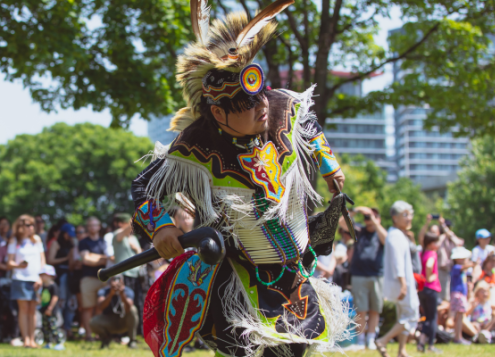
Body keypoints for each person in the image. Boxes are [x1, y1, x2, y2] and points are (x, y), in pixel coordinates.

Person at [130, 1, 353, 356]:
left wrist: (329, 163)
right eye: (247, 104)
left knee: (296, 348)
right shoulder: (195, 145)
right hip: (236, 277)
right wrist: (162, 226)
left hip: (293, 273)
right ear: (218, 112)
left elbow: (308, 123)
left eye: (261, 95)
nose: (261, 105)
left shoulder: (282, 109)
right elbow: (142, 186)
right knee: (243, 348)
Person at [375, 201, 419, 357]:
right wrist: (403, 283)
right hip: (401, 282)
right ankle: (383, 340)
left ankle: (402, 350)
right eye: (405, 215)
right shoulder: (395, 236)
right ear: (395, 217)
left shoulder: (397, 234)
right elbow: (397, 262)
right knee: (411, 314)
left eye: (410, 214)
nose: (409, 218)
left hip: (401, 282)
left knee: (403, 315)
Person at [350, 207, 387, 351]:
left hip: (376, 275)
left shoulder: (380, 232)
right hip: (359, 275)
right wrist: (355, 211)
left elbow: (386, 239)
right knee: (361, 310)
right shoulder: (359, 231)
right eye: (367, 217)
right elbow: (341, 223)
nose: (369, 220)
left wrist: (375, 220)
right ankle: (360, 340)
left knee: (375, 310)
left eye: (372, 217)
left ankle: (371, 339)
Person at [7, 214, 46, 348]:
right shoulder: (14, 240)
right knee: (24, 309)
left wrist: (41, 277)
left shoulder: (36, 240)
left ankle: (32, 340)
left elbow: (43, 260)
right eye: (28, 225)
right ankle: (26, 340)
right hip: (20, 279)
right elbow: (9, 262)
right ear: (20, 226)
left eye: (32, 225)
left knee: (33, 309)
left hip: (35, 279)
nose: (31, 227)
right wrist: (18, 266)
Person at [111, 213, 143, 334]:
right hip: (123, 275)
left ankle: (136, 332)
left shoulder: (133, 238)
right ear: (120, 223)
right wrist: (138, 217)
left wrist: (136, 248)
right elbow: (122, 234)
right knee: (124, 305)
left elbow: (140, 254)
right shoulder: (117, 234)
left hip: (136, 275)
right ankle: (123, 333)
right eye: (129, 222)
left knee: (137, 303)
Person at [90, 275, 138, 349]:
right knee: (93, 322)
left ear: (123, 282)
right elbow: (100, 306)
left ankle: (132, 341)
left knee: (133, 309)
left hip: (123, 321)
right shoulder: (104, 291)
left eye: (119, 280)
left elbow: (129, 308)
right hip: (109, 321)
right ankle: (106, 339)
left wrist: (122, 294)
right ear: (109, 282)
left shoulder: (128, 291)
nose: (116, 282)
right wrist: (110, 294)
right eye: (114, 280)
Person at [78, 217, 107, 340]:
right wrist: (103, 258)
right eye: (89, 225)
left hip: (103, 278)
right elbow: (86, 260)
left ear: (99, 227)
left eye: (94, 225)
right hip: (88, 278)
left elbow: (110, 258)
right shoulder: (83, 242)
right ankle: (88, 334)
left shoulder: (104, 242)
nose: (92, 227)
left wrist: (93, 257)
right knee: (87, 307)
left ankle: (98, 334)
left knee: (100, 307)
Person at [47, 223, 76, 337]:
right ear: (63, 233)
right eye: (68, 234)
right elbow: (50, 260)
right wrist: (66, 258)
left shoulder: (71, 244)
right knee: (61, 301)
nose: (70, 237)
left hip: (70, 275)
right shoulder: (56, 243)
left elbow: (71, 262)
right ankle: (58, 327)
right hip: (59, 275)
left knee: (71, 303)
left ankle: (67, 327)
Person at [417, 232, 442, 353]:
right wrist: (429, 276)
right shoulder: (432, 253)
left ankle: (421, 343)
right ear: (431, 243)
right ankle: (431, 345)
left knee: (426, 317)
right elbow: (429, 264)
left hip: (422, 289)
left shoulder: (421, 253)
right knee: (432, 318)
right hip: (431, 288)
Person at [449, 246, 474, 345]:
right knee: (459, 316)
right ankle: (457, 337)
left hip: (461, 294)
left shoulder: (462, 270)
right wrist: (473, 263)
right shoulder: (456, 267)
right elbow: (464, 267)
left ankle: (458, 336)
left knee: (460, 316)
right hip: (458, 294)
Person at [39, 264, 65, 350]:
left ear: (50, 275)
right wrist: (36, 291)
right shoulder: (43, 286)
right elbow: (41, 298)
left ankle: (59, 342)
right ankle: (48, 343)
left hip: (51, 311)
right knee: (45, 327)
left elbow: (55, 298)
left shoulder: (53, 286)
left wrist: (50, 308)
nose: (41, 277)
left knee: (53, 327)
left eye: (43, 275)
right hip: (44, 310)